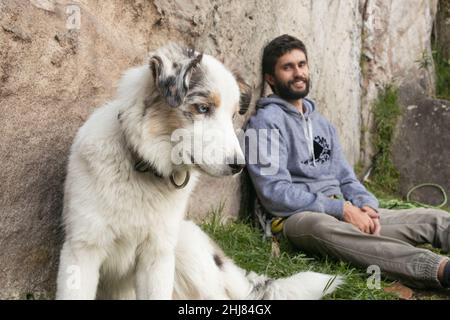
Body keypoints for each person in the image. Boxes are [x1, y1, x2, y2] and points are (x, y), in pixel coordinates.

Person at [245, 34, 450, 289]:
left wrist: (366, 207)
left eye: (302, 64)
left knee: (434, 219)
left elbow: (345, 178)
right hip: (295, 219)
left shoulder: (323, 124)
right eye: (288, 67)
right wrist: (341, 209)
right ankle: (440, 269)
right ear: (270, 78)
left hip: (345, 212)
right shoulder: (264, 124)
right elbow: (273, 192)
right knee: (323, 226)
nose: (298, 73)